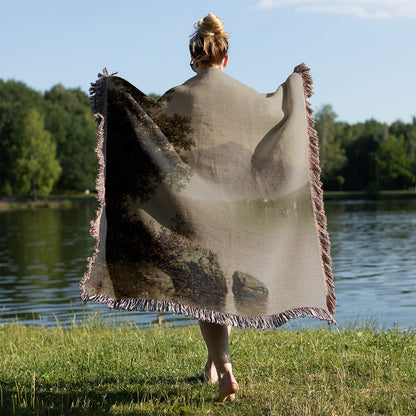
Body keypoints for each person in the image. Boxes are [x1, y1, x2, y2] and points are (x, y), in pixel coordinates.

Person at [188, 12, 239, 404]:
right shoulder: (244, 96)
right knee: (219, 290)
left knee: (204, 293)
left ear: (194, 60)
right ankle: (211, 365)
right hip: (236, 207)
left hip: (195, 209)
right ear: (225, 58)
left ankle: (225, 371)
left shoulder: (179, 95)